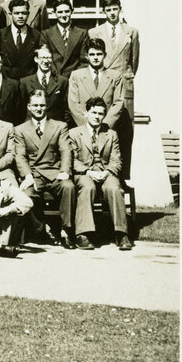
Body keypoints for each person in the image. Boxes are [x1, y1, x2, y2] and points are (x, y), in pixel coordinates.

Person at [68, 97, 132, 251]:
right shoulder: (74, 133)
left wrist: (107, 172)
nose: (97, 116)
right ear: (86, 113)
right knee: (87, 188)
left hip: (105, 173)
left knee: (114, 189)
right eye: (94, 112)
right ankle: (83, 234)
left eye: (101, 114)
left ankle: (121, 233)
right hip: (84, 172)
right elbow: (72, 160)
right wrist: (88, 171)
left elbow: (116, 160)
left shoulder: (111, 134)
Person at [14, 88, 76, 247]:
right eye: (35, 105)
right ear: (29, 107)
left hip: (55, 172)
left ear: (46, 106)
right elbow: (20, 155)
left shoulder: (59, 126)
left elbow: (66, 150)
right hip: (34, 174)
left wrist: (64, 171)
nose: (38, 109)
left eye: (41, 105)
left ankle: (66, 230)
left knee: (68, 187)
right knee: (24, 195)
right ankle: (42, 229)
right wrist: (27, 175)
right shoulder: (20, 129)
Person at [88, 0, 139, 182]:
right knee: (101, 130)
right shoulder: (94, 32)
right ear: (104, 12)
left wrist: (125, 78)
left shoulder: (131, 32)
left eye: (115, 9)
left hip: (124, 88)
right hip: (103, 86)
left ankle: (122, 176)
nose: (112, 13)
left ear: (120, 9)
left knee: (124, 132)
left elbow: (134, 62)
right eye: (108, 10)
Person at [67, 38, 125, 133]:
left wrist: (104, 125)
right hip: (83, 129)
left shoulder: (115, 76)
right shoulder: (76, 76)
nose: (95, 57)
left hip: (106, 129)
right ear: (86, 56)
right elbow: (73, 104)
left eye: (99, 54)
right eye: (92, 54)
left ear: (105, 55)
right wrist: (88, 126)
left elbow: (118, 103)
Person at [20, 45, 69, 125]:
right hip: (32, 126)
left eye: (48, 58)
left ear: (52, 59)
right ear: (36, 59)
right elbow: (21, 110)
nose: (46, 61)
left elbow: (66, 109)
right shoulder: (25, 82)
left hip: (55, 127)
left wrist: (61, 126)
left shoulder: (62, 81)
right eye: (42, 58)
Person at [41, 0, 88, 79]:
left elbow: (84, 61)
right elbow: (45, 60)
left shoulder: (82, 33)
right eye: (60, 12)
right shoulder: (46, 34)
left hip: (74, 78)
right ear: (54, 13)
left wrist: (74, 76)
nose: (63, 15)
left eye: (67, 11)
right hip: (54, 78)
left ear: (72, 11)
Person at [0, 0, 41, 81]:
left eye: (24, 13)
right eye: (17, 13)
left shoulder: (36, 35)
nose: (20, 16)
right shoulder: (0, 34)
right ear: (10, 14)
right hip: (7, 82)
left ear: (28, 14)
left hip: (28, 83)